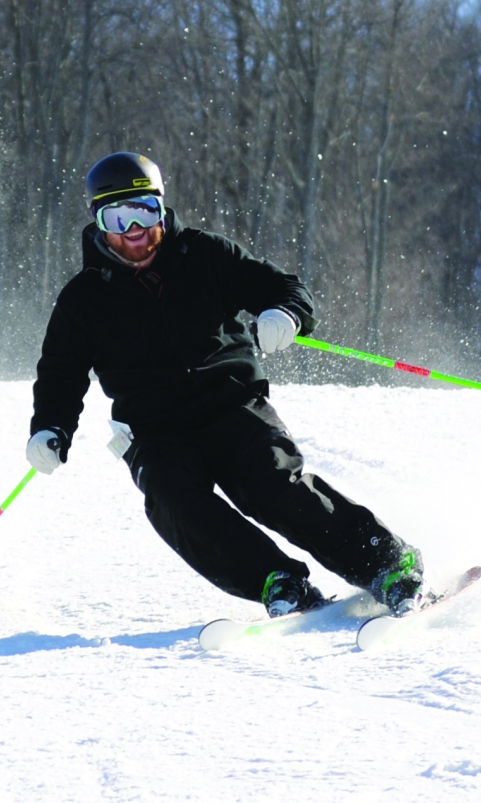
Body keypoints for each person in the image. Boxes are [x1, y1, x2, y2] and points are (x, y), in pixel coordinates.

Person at [26, 150, 423, 617]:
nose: (134, 230)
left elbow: (287, 289)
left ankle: (387, 565)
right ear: (99, 223)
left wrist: (285, 313)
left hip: (233, 406)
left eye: (143, 211)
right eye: (118, 216)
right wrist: (50, 428)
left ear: (161, 208)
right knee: (173, 501)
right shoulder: (82, 298)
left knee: (273, 485)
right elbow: (60, 373)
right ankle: (277, 581)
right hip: (155, 431)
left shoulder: (204, 254)